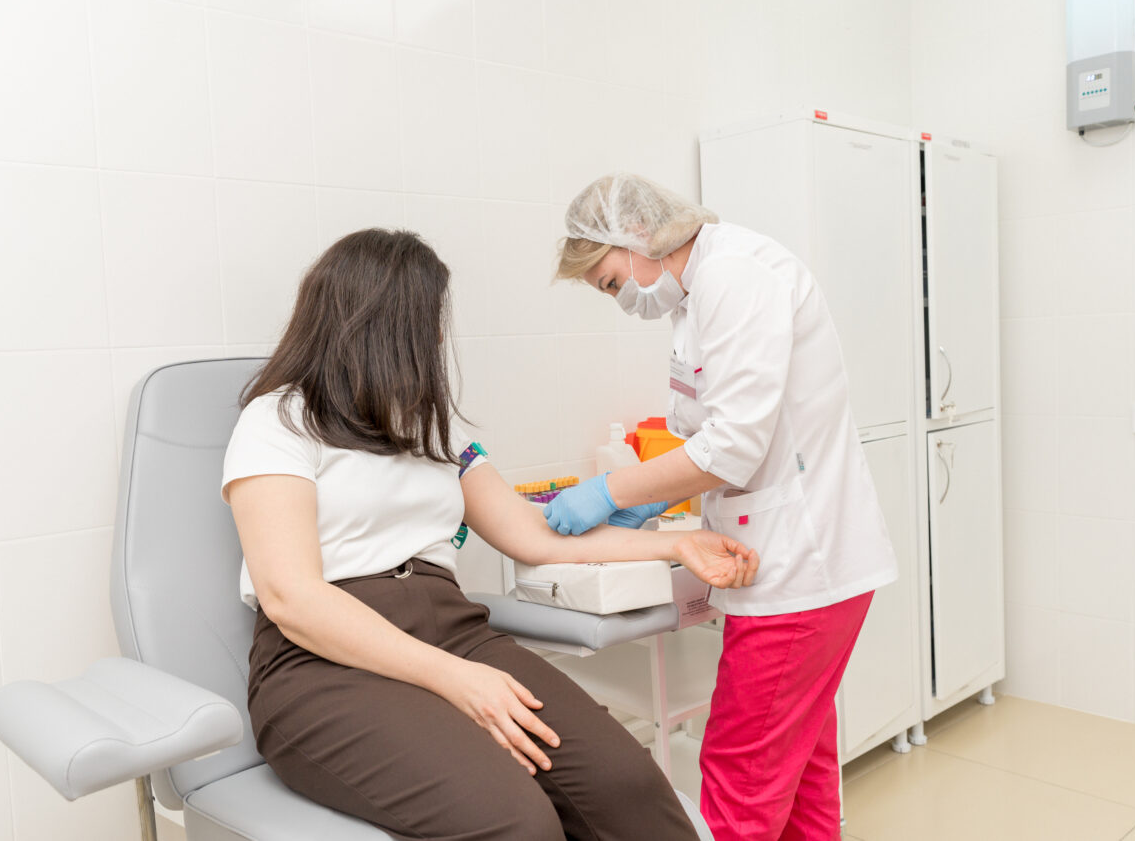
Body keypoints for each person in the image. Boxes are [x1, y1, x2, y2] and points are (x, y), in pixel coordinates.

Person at [222, 228, 759, 841]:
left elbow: (534, 534)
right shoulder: (279, 419)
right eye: (425, 324)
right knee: (517, 824)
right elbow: (292, 596)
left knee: (626, 785)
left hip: (453, 633)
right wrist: (454, 679)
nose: (434, 342)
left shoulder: (431, 426)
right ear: (375, 327)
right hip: (323, 665)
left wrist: (674, 545)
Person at [546, 174, 899, 841]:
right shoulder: (698, 297)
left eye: (612, 282)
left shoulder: (735, 276)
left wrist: (612, 491)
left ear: (637, 234)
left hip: (799, 565)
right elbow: (710, 436)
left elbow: (732, 446)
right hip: (794, 561)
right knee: (804, 772)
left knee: (741, 777)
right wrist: (653, 494)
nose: (622, 301)